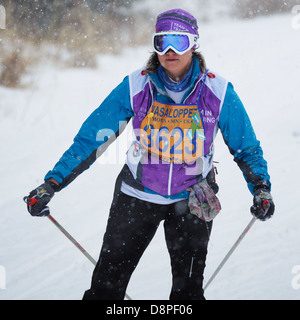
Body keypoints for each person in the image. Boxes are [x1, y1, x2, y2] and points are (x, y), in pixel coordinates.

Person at [25, 8, 275, 300]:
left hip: (192, 201)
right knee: (106, 289)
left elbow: (246, 147)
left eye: (179, 42)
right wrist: (52, 183)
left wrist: (261, 188)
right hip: (136, 197)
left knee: (187, 295)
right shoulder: (136, 86)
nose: (169, 51)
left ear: (194, 44)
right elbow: (91, 140)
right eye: (162, 42)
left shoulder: (217, 91)